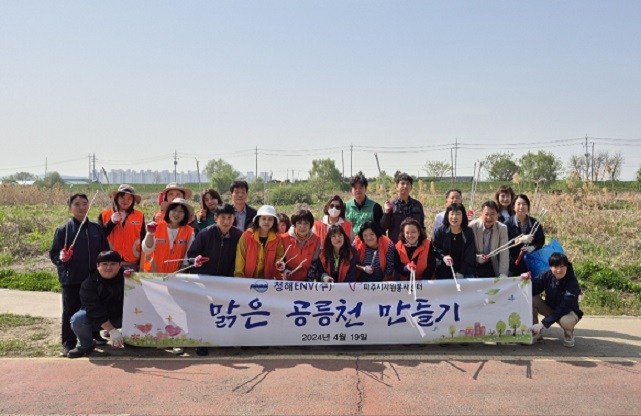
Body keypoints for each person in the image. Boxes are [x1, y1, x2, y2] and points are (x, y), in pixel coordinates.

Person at [50, 193, 109, 356]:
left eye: (85, 203)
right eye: (77, 204)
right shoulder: (64, 230)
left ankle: (94, 336)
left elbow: (105, 252)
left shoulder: (96, 229)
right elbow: (54, 254)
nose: (82, 207)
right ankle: (69, 343)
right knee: (70, 310)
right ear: (70, 208)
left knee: (94, 308)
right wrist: (62, 258)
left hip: (93, 279)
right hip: (72, 278)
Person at [187, 203, 242, 356]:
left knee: (224, 312)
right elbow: (191, 254)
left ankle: (222, 340)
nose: (226, 221)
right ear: (216, 218)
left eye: (229, 217)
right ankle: (202, 341)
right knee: (204, 312)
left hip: (227, 280)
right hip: (205, 280)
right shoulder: (205, 233)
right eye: (222, 217)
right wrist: (195, 259)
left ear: (234, 218)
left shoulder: (239, 235)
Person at [67, 250, 126, 358]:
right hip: (99, 318)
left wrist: (135, 278)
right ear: (97, 266)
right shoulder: (88, 283)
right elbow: (93, 309)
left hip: (122, 316)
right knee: (78, 319)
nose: (109, 268)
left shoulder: (128, 278)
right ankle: (86, 345)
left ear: (120, 265)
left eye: (113, 264)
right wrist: (112, 330)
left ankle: (136, 341)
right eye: (104, 264)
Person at [528, 252, 583, 347]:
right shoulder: (546, 275)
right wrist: (526, 281)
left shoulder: (572, 281)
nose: (559, 270)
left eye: (562, 266)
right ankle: (535, 333)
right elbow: (531, 289)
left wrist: (543, 324)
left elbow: (565, 306)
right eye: (556, 266)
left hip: (566, 312)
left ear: (566, 266)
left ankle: (569, 334)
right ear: (550, 267)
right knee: (532, 299)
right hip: (550, 308)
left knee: (567, 321)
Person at [142, 198, 196, 274]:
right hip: (153, 274)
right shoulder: (157, 226)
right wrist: (150, 233)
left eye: (181, 211)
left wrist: (179, 274)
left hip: (174, 276)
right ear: (168, 211)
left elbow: (186, 259)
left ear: (185, 215)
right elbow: (147, 249)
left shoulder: (190, 232)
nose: (177, 214)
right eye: (174, 210)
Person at [98, 184, 145, 271]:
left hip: (132, 262)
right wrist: (111, 222)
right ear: (116, 198)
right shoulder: (105, 215)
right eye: (122, 198)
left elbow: (143, 239)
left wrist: (141, 262)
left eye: (129, 199)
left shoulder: (140, 216)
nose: (125, 201)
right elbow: (100, 237)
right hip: (111, 262)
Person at [234, 205, 284, 279]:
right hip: (247, 279)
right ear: (258, 219)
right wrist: (239, 277)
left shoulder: (277, 238)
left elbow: (279, 256)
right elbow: (240, 258)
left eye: (270, 219)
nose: (266, 222)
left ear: (274, 222)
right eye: (263, 218)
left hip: (267, 281)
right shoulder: (247, 236)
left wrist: (279, 263)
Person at [432, 202, 476, 280]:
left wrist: (461, 272)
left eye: (458, 214)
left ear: (463, 216)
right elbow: (434, 249)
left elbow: (469, 254)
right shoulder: (440, 231)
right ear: (447, 215)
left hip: (464, 271)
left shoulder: (468, 232)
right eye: (451, 214)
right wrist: (443, 257)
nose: (454, 217)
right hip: (443, 270)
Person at [506, 194, 545, 276]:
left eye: (524, 204)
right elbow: (505, 243)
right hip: (513, 265)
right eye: (519, 204)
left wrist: (533, 247)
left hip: (530, 263)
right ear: (513, 207)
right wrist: (519, 240)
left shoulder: (535, 223)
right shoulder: (507, 224)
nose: (521, 207)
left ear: (528, 207)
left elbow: (541, 240)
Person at [380, 173, 425, 243]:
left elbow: (422, 226)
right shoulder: (391, 205)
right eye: (402, 183)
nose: (405, 186)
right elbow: (383, 227)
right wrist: (387, 213)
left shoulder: (417, 205)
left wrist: (423, 242)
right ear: (397, 186)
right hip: (397, 245)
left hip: (415, 245)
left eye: (408, 184)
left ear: (411, 187)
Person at [468, 201, 509, 277]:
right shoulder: (472, 227)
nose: (489, 218)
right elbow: (467, 250)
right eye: (486, 214)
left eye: (492, 214)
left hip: (492, 263)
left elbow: (504, 251)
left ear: (497, 215)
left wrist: (503, 273)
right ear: (481, 214)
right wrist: (476, 257)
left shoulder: (502, 228)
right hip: (474, 263)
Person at [278, 209, 320, 281]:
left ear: (311, 225)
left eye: (306, 223)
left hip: (306, 282)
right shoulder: (284, 238)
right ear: (294, 224)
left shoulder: (316, 240)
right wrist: (284, 272)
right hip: (286, 281)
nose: (302, 226)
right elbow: (280, 260)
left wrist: (308, 282)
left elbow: (314, 263)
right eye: (299, 223)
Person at [345, 171, 383, 236]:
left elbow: (380, 229)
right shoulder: (345, 207)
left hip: (368, 243)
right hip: (350, 244)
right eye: (355, 188)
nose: (358, 190)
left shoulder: (375, 207)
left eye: (361, 187)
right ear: (352, 190)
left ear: (365, 189)